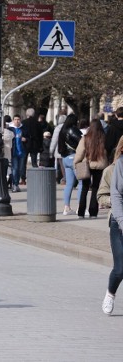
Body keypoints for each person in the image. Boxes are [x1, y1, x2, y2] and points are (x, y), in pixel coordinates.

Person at [98, 135, 123, 315]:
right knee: (120, 268)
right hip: (117, 220)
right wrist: (115, 203)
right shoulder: (111, 170)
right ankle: (110, 294)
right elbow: (101, 196)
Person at [74, 119, 108, 219]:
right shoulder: (103, 138)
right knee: (95, 188)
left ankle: (81, 212)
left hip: (86, 165)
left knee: (84, 188)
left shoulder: (85, 138)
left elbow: (80, 152)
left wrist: (76, 163)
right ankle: (93, 212)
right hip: (100, 165)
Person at [58, 114, 82, 215]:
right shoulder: (73, 129)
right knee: (82, 182)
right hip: (74, 157)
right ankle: (81, 207)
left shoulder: (62, 130)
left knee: (69, 184)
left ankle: (66, 207)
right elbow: (81, 141)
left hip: (65, 158)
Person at [8, 115, 29, 192]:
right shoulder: (10, 129)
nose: (17, 121)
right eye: (15, 119)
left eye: (18, 119)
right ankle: (14, 184)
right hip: (14, 152)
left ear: (20, 120)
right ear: (13, 120)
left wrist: (25, 139)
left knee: (20, 169)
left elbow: (29, 138)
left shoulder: (23, 129)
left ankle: (16, 184)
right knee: (15, 168)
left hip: (22, 152)